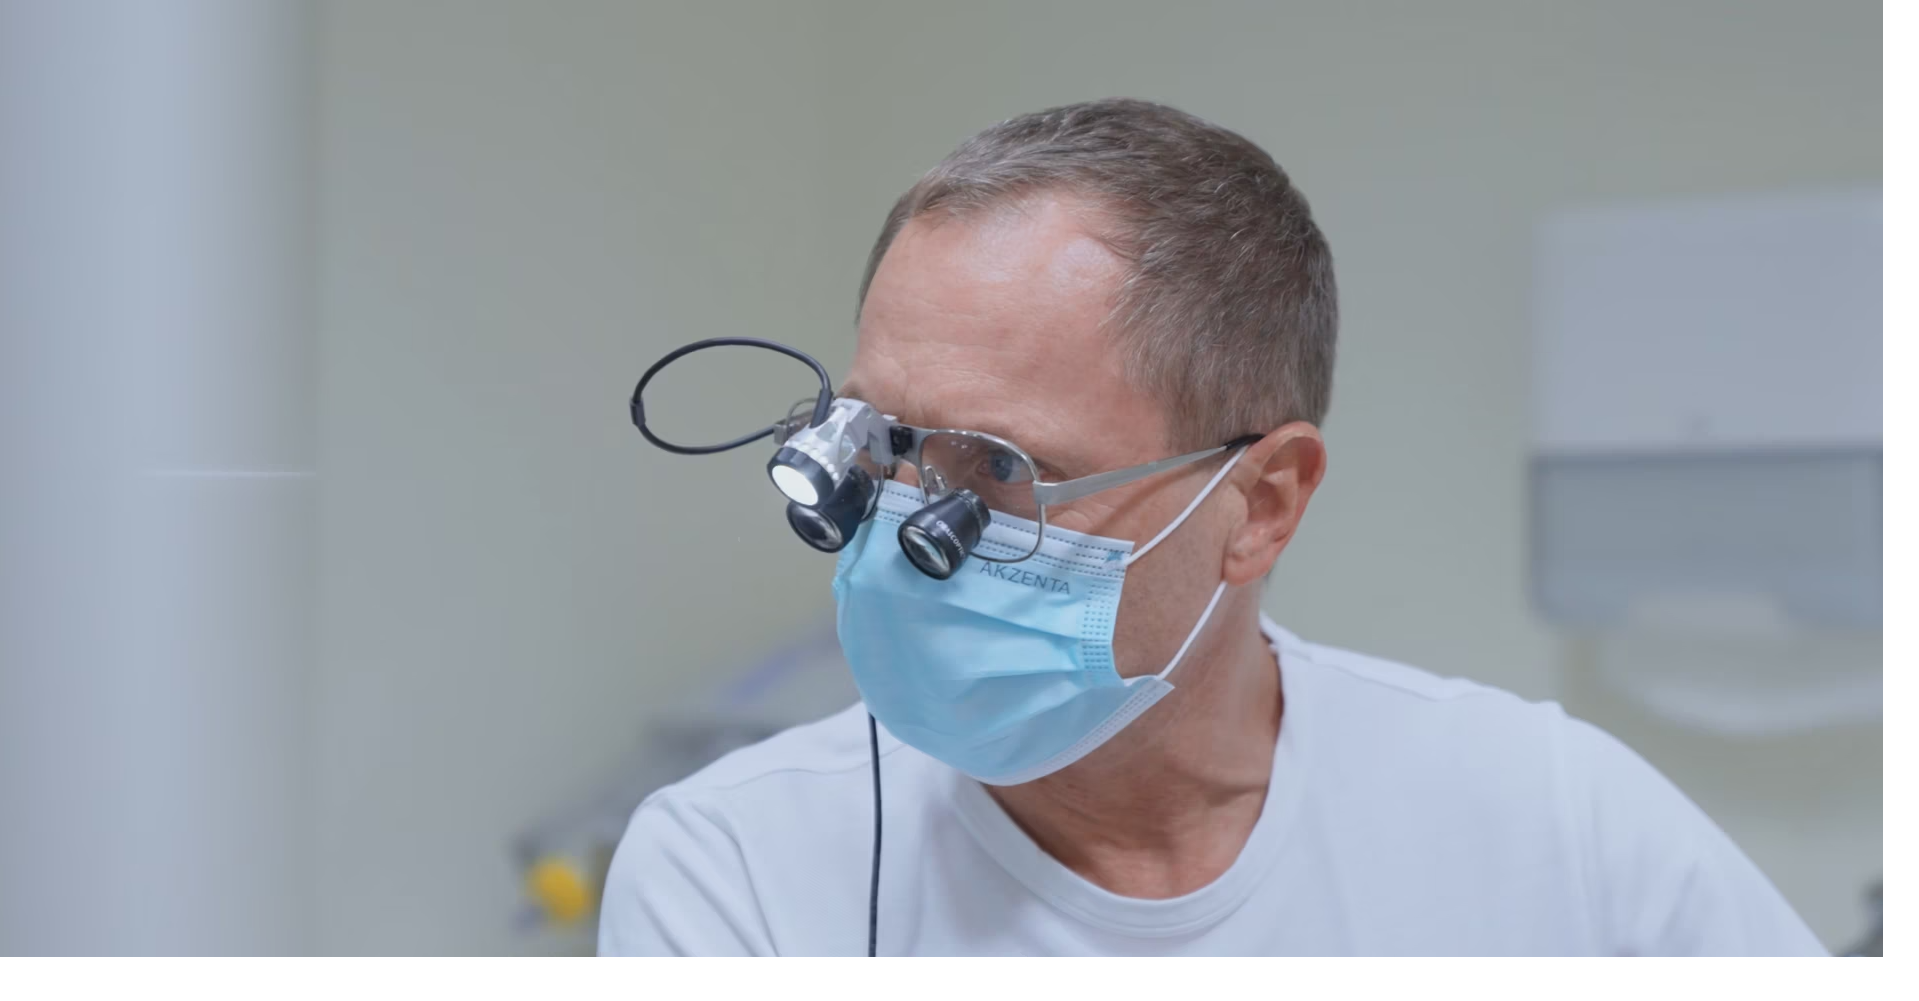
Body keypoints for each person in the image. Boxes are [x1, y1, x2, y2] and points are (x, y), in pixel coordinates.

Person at [598, 98, 1823, 956]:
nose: (902, 530)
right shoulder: (734, 869)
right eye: (880, 443)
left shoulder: (1553, 821)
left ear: (1262, 501)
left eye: (1000, 469)